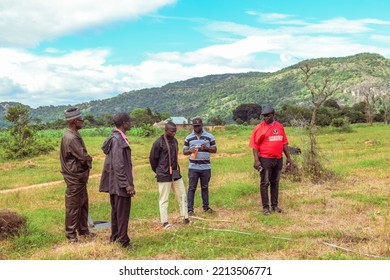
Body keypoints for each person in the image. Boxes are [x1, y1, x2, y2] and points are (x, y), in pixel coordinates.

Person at [99, 112, 136, 250]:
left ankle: (115, 237)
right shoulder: (118, 140)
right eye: (129, 121)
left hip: (115, 183)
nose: (131, 123)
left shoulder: (115, 137)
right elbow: (118, 164)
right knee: (122, 213)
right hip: (120, 184)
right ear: (124, 123)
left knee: (116, 212)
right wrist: (126, 184)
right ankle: (123, 241)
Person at [249, 107, 291, 215]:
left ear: (273, 115)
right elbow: (255, 146)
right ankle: (265, 208)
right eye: (264, 116)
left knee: (275, 182)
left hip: (278, 159)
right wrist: (256, 160)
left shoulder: (280, 127)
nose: (265, 118)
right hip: (265, 159)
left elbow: (284, 143)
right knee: (265, 182)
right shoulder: (259, 128)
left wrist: (289, 158)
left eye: (268, 115)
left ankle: (275, 205)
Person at [60, 107, 93, 243]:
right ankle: (71, 236)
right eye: (80, 119)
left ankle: (83, 230)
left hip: (78, 177)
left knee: (83, 203)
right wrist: (89, 161)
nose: (83, 121)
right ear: (74, 121)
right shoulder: (72, 138)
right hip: (75, 177)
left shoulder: (72, 134)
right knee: (73, 207)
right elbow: (84, 157)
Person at [149, 122, 190, 229]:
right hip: (163, 174)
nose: (174, 133)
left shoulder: (175, 141)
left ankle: (185, 218)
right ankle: (165, 222)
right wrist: (159, 171)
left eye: (175, 130)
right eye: (172, 131)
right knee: (164, 199)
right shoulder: (158, 143)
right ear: (166, 130)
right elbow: (153, 159)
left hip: (176, 173)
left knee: (182, 195)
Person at [183, 117, 217, 216]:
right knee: (191, 188)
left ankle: (206, 207)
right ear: (192, 126)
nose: (196, 128)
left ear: (202, 125)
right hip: (193, 167)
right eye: (194, 126)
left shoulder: (209, 136)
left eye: (198, 126)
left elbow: (214, 149)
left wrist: (206, 148)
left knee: (205, 187)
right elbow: (184, 151)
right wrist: (190, 150)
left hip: (206, 167)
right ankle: (190, 209)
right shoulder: (188, 137)